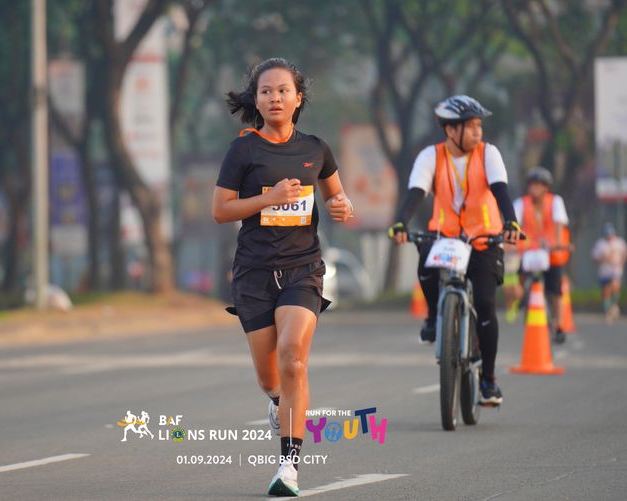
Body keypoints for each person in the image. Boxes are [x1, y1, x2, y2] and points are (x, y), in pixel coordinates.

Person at [212, 57, 353, 497]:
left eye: (282, 90)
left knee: (293, 359)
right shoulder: (243, 150)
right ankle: (277, 401)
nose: (274, 98)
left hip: (302, 269)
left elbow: (336, 195)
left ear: (298, 98)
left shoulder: (316, 149)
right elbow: (221, 211)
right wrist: (268, 198)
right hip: (254, 274)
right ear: (255, 100)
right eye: (266, 91)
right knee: (270, 378)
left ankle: (288, 466)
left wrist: (342, 206)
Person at [388, 95, 520, 406]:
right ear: (451, 130)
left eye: (479, 126)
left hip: (484, 237)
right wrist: (400, 222)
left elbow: (500, 190)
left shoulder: (489, 153)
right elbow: (416, 191)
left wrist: (511, 222)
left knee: (485, 303)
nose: (478, 132)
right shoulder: (431, 156)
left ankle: (488, 380)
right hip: (445, 234)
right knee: (425, 256)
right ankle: (434, 317)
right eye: (471, 126)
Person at [513, 167, 571, 343]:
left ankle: (559, 325)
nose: (535, 189)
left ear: (546, 187)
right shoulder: (521, 203)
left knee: (555, 289)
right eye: (532, 185)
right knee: (519, 277)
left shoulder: (555, 202)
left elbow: (559, 224)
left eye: (539, 185)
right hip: (529, 252)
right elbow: (514, 226)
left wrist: (559, 244)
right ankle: (524, 297)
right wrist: (509, 244)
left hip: (550, 252)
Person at [591, 222, 627, 323]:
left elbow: (624, 253)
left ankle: (614, 305)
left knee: (615, 286)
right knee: (606, 291)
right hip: (604, 271)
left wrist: (621, 261)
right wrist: (604, 257)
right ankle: (608, 310)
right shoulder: (600, 244)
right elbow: (594, 257)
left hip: (616, 269)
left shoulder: (619, 242)